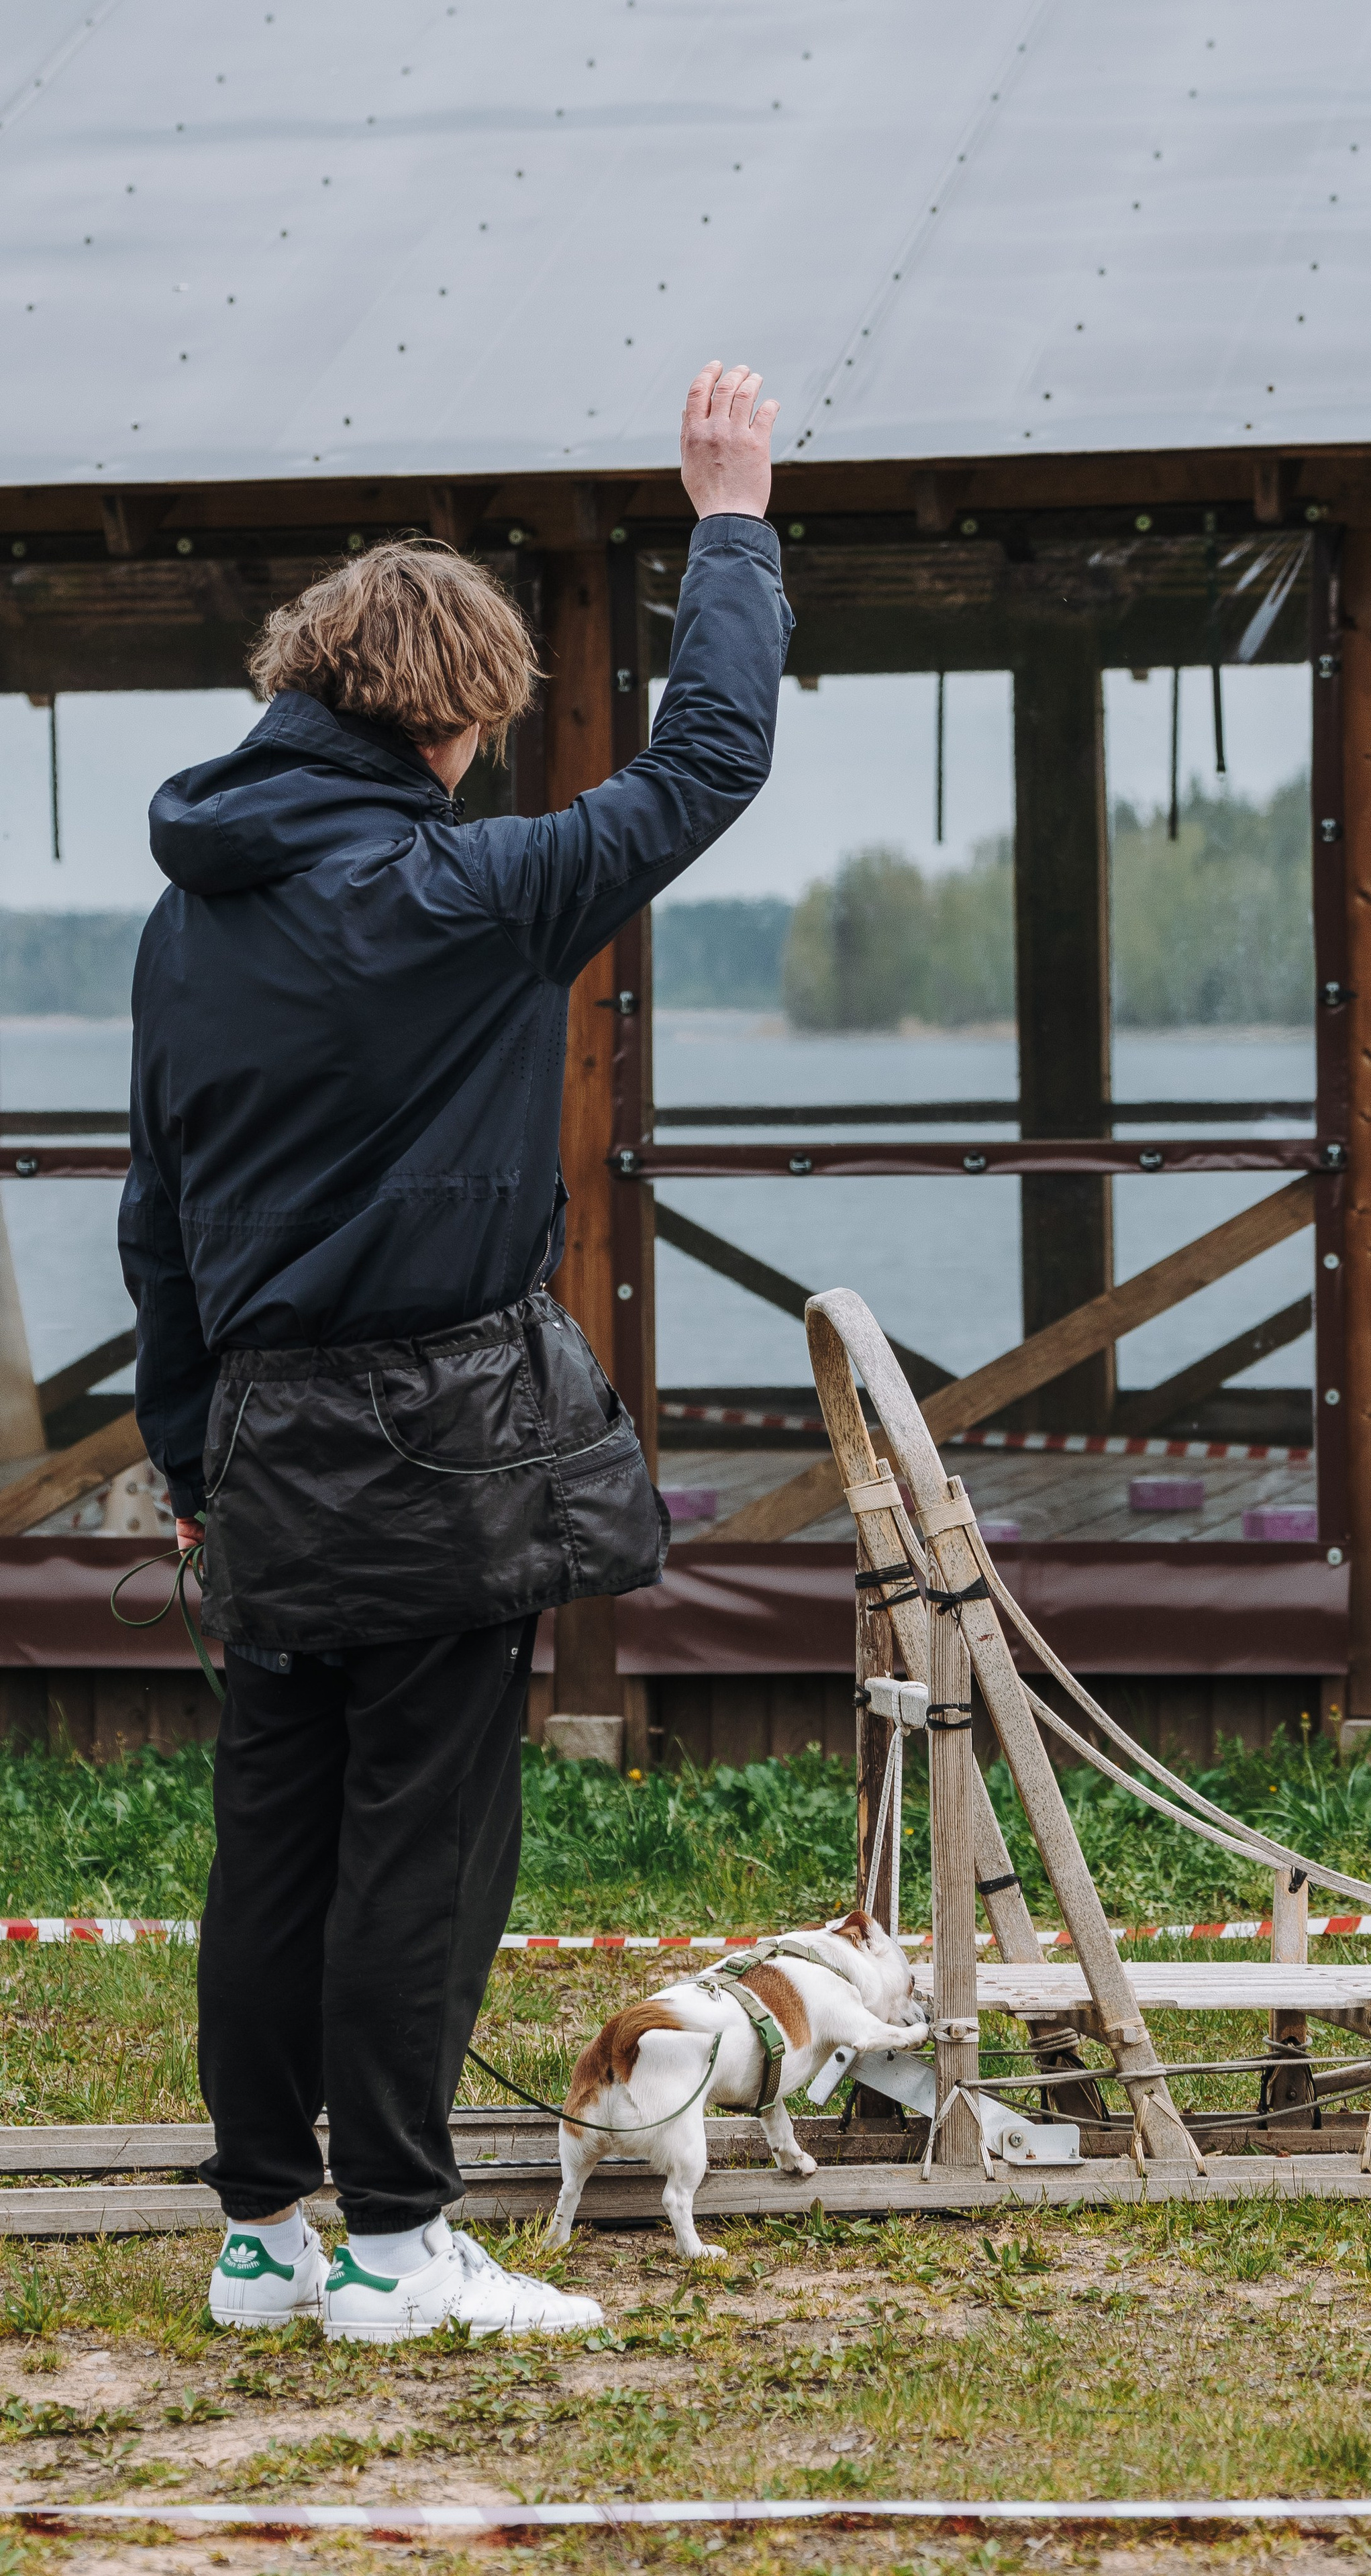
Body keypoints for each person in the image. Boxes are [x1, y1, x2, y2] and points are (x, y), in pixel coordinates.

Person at [119, 362, 791, 2339]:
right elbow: (711, 759)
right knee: (421, 1839)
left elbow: (158, 1212)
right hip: (440, 1436)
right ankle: (403, 2246)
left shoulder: (186, 921)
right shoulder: (474, 891)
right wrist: (732, 526)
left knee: (274, 1836)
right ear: (460, 711)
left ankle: (265, 2240)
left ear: (305, 688)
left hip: (261, 1434)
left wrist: (190, 1460)